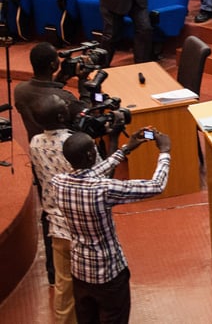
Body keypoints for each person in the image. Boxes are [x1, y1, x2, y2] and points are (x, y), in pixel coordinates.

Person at [52, 128, 171, 323]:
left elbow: (89, 173)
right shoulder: (103, 189)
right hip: (108, 273)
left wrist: (125, 150)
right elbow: (156, 185)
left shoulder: (58, 183)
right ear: (91, 154)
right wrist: (164, 152)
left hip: (80, 272)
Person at [27, 94, 85, 324]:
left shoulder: (34, 143)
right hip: (83, 226)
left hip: (57, 227)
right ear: (63, 116)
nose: (68, 104)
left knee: (63, 285)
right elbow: (100, 175)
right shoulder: (75, 144)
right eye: (65, 105)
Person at [13, 42, 82, 139]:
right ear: (53, 65)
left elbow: (45, 89)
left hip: (36, 145)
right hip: (64, 149)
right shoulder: (65, 98)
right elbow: (87, 112)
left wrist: (61, 77)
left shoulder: (19, 90)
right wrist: (83, 79)